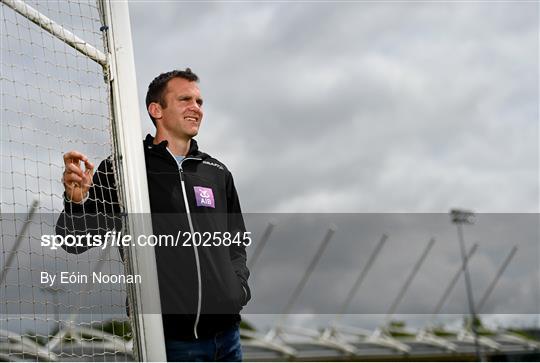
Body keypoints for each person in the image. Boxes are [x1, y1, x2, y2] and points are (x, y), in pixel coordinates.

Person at [57, 68, 250, 361]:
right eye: (185, 99)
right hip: (168, 342)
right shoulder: (125, 167)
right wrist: (76, 201)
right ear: (156, 109)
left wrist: (239, 290)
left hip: (228, 336)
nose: (196, 108)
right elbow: (74, 241)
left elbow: (236, 242)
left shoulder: (217, 172)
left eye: (199, 102)